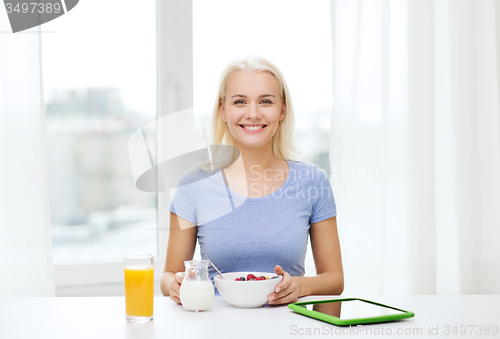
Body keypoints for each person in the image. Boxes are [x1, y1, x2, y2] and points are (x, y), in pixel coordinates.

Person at [160, 56, 343, 305]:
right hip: (214, 327)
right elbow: (169, 276)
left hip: (287, 327)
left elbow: (334, 280)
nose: (253, 113)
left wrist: (300, 286)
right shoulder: (193, 184)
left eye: (265, 101)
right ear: (223, 110)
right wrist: (175, 283)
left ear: (282, 110)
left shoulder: (313, 182)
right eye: (240, 102)